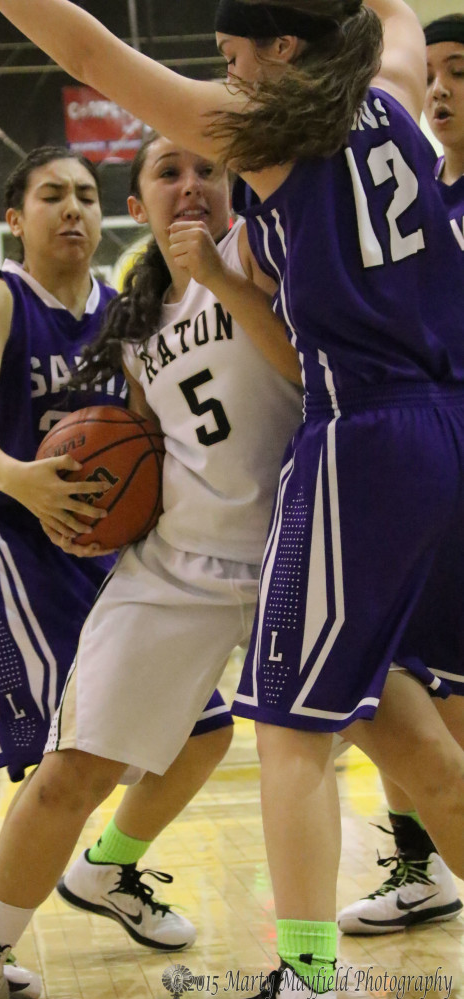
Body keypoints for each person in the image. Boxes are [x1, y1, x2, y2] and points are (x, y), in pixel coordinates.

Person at [0, 1, 464, 999]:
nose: (227, 75)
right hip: (443, 423)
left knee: (286, 729)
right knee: (419, 739)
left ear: (283, 51)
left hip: (359, 431)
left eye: (235, 56)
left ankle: (305, 987)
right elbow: (396, 16)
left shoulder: (267, 131)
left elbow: (89, 50)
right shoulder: (393, 94)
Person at [0, 125, 304, 999]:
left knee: (207, 735)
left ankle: (110, 867)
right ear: (16, 219)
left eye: (85, 195)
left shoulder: (142, 305)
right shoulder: (2, 301)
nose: (72, 210)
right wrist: (22, 480)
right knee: (63, 761)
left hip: (133, 540)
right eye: (54, 195)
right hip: (7, 537)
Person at [337, 11, 464, 936]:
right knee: (399, 679)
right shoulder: (418, 201)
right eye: (439, 71)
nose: (444, 88)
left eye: (462, 71)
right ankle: (420, 865)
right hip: (423, 457)